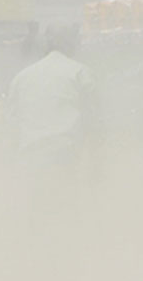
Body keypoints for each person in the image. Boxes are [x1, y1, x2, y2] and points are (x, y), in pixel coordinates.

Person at [6, 24, 100, 220]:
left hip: (30, 160)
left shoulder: (22, 77)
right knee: (66, 215)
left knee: (37, 216)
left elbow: (12, 126)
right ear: (72, 43)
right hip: (65, 157)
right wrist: (96, 164)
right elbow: (94, 122)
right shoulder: (80, 73)